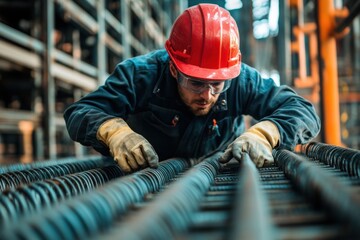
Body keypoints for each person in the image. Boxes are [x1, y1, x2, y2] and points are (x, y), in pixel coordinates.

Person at [64, 3, 320, 173]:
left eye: (216, 85)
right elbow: (81, 111)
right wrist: (114, 132)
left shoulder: (240, 80)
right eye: (196, 82)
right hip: (142, 176)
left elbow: (302, 111)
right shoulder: (141, 75)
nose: (206, 95)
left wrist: (265, 133)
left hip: (217, 172)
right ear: (174, 69)